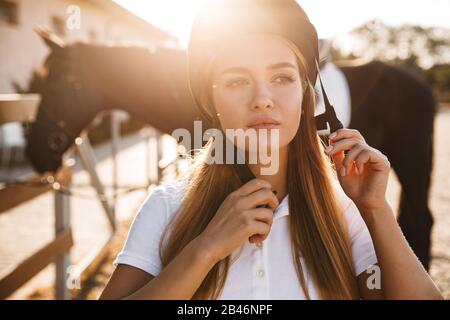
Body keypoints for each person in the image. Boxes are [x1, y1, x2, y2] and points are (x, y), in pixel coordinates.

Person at [100, 0, 442, 300]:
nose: (263, 98)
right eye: (237, 81)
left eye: (282, 78)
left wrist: (376, 209)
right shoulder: (166, 207)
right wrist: (205, 249)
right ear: (211, 101)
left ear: (306, 95)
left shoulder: (345, 212)